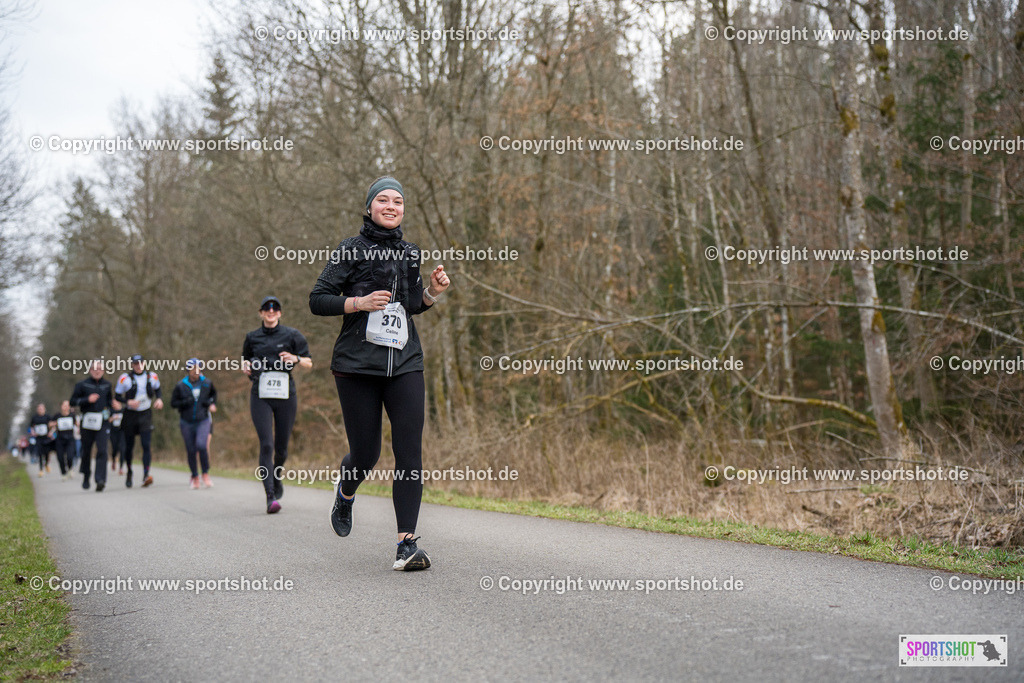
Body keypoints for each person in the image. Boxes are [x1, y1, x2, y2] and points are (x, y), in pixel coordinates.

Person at [310, 175, 450, 571]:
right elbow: (317, 300)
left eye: (399, 201)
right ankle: (346, 489)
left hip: (405, 361)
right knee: (367, 452)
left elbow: (411, 305)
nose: (392, 206)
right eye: (384, 200)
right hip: (357, 365)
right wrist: (359, 302)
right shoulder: (350, 250)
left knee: (409, 451)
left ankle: (406, 545)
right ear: (370, 206)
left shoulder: (410, 252)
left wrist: (433, 293)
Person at [242, 296, 312, 514]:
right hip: (260, 395)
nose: (271, 312)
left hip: (285, 395)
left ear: (280, 313)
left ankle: (277, 473)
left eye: (275, 309)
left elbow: (309, 362)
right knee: (266, 445)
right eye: (266, 309)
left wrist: (295, 359)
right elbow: (245, 360)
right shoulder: (252, 337)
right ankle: (270, 496)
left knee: (281, 448)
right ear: (261, 313)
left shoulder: (292, 335)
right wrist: (246, 366)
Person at [115, 354, 164, 488]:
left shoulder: (152, 376)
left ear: (144, 363)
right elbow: (117, 396)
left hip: (145, 414)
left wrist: (159, 399)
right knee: (129, 447)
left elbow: (158, 389)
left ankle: (146, 474)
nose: (138, 366)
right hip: (130, 415)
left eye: (140, 363)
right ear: (132, 365)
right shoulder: (124, 378)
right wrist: (128, 401)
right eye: (135, 363)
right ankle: (129, 472)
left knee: (146, 445)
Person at [70, 361, 119, 491]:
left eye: (100, 369)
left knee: (102, 450)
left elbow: (109, 402)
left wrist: (113, 410)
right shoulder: (82, 384)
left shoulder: (107, 385)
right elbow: (72, 401)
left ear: (103, 371)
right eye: (94, 368)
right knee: (86, 450)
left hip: (102, 422)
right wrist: (87, 399)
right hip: (87, 421)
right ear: (90, 370)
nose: (97, 371)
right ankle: (86, 475)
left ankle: (100, 480)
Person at [170, 358, 218, 489]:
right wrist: (186, 402)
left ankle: (205, 474)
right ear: (188, 370)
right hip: (186, 422)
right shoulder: (181, 385)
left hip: (203, 420)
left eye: (199, 368)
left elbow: (214, 394)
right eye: (194, 368)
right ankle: (195, 476)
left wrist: (212, 403)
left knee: (202, 446)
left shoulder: (207, 383)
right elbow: (173, 403)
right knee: (191, 450)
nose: (196, 371)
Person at [52, 400, 76, 480]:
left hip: (70, 439)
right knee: (60, 457)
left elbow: (77, 424)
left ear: (69, 407)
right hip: (60, 439)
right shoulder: (57, 416)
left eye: (67, 405)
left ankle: (70, 469)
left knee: (70, 456)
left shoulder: (72, 415)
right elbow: (50, 424)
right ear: (61, 406)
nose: (66, 407)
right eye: (64, 405)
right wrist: (53, 424)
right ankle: (63, 473)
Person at [29, 404, 52, 477]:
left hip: (46, 438)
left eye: (42, 409)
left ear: (44, 409)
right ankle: (41, 470)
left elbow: (52, 425)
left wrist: (50, 432)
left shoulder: (47, 417)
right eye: (39, 409)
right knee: (40, 454)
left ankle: (46, 464)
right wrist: (33, 432)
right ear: (37, 410)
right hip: (38, 438)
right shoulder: (34, 417)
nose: (40, 410)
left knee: (47, 453)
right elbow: (31, 427)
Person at [109, 404, 125, 475]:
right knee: (115, 448)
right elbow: (107, 420)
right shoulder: (111, 411)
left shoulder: (124, 411)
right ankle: (113, 459)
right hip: (113, 432)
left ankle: (121, 468)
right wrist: (113, 418)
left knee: (122, 449)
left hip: (122, 432)